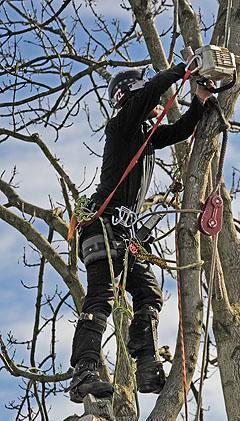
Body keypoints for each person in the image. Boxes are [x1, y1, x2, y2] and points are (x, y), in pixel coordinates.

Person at [68, 59, 214, 403]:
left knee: (149, 293)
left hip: (123, 234)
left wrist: (199, 100)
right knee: (102, 294)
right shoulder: (121, 125)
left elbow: (179, 131)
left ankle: (147, 365)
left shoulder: (143, 137)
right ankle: (83, 372)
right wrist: (181, 70)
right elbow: (148, 95)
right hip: (101, 228)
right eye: (143, 96)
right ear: (130, 97)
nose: (156, 104)